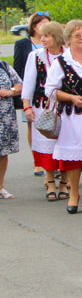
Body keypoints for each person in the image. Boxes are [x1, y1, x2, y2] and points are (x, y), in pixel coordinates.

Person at [45, 20, 82, 215]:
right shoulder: (61, 62)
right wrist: (71, 97)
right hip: (71, 118)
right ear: (68, 39)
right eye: (78, 35)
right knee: (74, 159)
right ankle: (74, 193)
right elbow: (50, 90)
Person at [21, 21, 68, 201]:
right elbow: (28, 83)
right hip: (43, 108)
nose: (42, 39)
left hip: (65, 108)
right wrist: (27, 106)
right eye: (42, 36)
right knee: (46, 145)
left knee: (65, 144)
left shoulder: (68, 56)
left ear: (56, 37)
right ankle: (49, 181)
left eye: (46, 36)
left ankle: (64, 182)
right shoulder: (36, 56)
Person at [13, 11, 51, 177]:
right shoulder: (23, 44)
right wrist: (25, 90)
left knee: (52, 126)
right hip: (33, 92)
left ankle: (52, 160)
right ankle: (38, 162)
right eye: (42, 23)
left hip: (50, 92)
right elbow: (18, 67)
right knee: (33, 125)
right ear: (34, 26)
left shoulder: (54, 43)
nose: (45, 27)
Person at [0, 58, 23, 199]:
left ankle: (0, 187)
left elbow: (20, 85)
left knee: (3, 152)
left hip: (5, 117)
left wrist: (10, 91)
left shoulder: (4, 65)